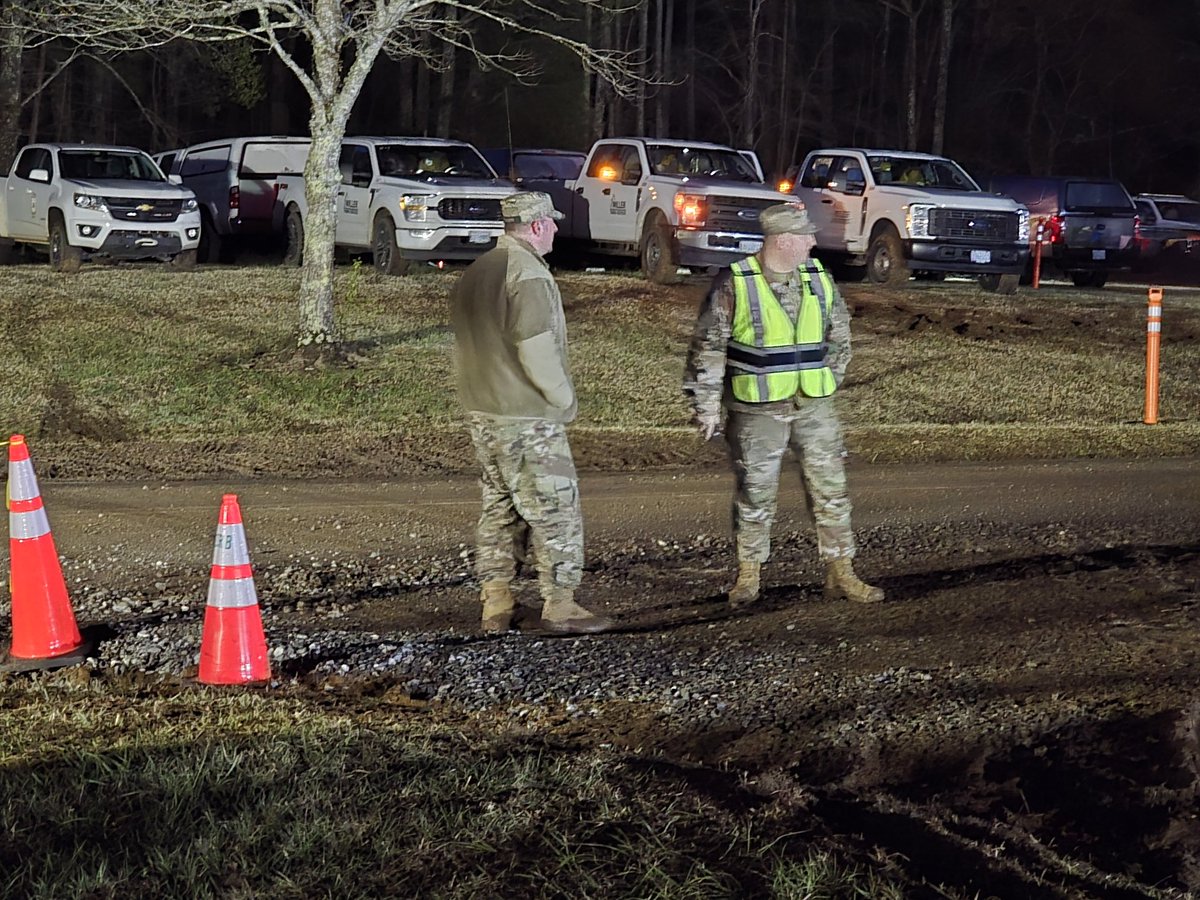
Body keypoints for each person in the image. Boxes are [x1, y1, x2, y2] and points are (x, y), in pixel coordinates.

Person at [683, 202, 885, 608]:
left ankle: (841, 571)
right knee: (755, 494)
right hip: (757, 409)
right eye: (805, 236)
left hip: (814, 404)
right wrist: (706, 405)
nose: (812, 242)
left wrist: (828, 380)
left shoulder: (818, 278)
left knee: (831, 488)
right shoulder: (736, 283)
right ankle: (749, 576)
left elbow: (840, 336)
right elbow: (708, 347)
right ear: (784, 240)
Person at [450, 191, 613, 635]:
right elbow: (536, 348)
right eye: (552, 222)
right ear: (537, 225)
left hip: (483, 410)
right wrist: (562, 399)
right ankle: (561, 604)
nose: (557, 228)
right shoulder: (528, 274)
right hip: (525, 414)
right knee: (555, 508)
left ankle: (496, 603)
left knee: (500, 507)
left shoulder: (478, 271)